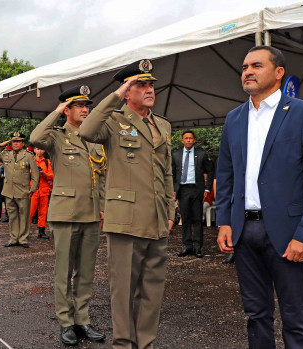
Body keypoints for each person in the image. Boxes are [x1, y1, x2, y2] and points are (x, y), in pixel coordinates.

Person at [216, 45, 303, 348]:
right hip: (245, 232)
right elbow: (226, 174)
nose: (247, 72)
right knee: (256, 314)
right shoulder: (234, 118)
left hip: (288, 233)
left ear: (278, 72)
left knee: (297, 318)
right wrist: (224, 221)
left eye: (256, 65)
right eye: (244, 67)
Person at [79, 59, 175, 349]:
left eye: (150, 85)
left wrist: (170, 210)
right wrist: (117, 94)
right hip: (127, 218)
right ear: (128, 90)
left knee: (152, 290)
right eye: (140, 85)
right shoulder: (113, 121)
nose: (148, 90)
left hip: (158, 218)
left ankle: (145, 343)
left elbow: (167, 171)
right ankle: (124, 344)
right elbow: (86, 130)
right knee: (123, 289)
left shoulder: (163, 124)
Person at [31, 85, 107, 346]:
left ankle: (82, 319)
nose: (85, 109)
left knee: (86, 272)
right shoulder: (56, 136)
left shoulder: (95, 136)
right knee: (63, 271)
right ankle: (65, 322)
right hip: (65, 213)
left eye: (87, 105)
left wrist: (104, 205)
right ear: (67, 109)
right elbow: (35, 137)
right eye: (79, 105)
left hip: (91, 213)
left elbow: (102, 174)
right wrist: (56, 111)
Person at [0, 132, 39, 248]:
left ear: (22, 143)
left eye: (18, 141)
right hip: (9, 191)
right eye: (13, 141)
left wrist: (33, 188)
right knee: (12, 216)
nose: (15, 143)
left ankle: (23, 239)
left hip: (23, 191)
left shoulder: (28, 155)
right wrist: (1, 145)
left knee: (24, 215)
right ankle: (13, 238)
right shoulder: (5, 154)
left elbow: (35, 174)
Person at [172, 130, 214, 258]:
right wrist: (174, 190)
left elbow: (210, 171)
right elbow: (172, 174)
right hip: (183, 190)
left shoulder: (201, 154)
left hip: (197, 189)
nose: (189, 140)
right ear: (182, 141)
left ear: (194, 140)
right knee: (185, 219)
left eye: (191, 138)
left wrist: (207, 189)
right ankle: (187, 246)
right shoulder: (176, 155)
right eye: (186, 138)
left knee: (197, 219)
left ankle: (197, 247)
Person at [29, 146, 53, 239]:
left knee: (43, 212)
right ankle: (25, 231)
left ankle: (41, 231)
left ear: (44, 150)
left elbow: (51, 176)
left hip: (44, 190)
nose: (39, 151)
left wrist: (44, 173)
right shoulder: (30, 161)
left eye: (41, 149)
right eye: (37, 149)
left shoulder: (47, 162)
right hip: (33, 190)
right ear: (34, 150)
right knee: (30, 212)